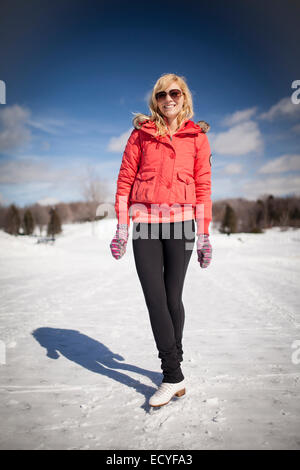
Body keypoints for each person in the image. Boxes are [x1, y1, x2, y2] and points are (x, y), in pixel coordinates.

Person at [110, 73, 213, 407]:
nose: (168, 99)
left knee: (172, 298)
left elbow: (203, 187)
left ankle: (175, 357)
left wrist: (205, 235)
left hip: (182, 224)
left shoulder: (196, 137)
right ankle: (172, 375)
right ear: (155, 100)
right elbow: (125, 180)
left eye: (175, 93)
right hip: (146, 223)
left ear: (184, 97)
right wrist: (122, 228)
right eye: (161, 94)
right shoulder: (141, 134)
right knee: (155, 298)